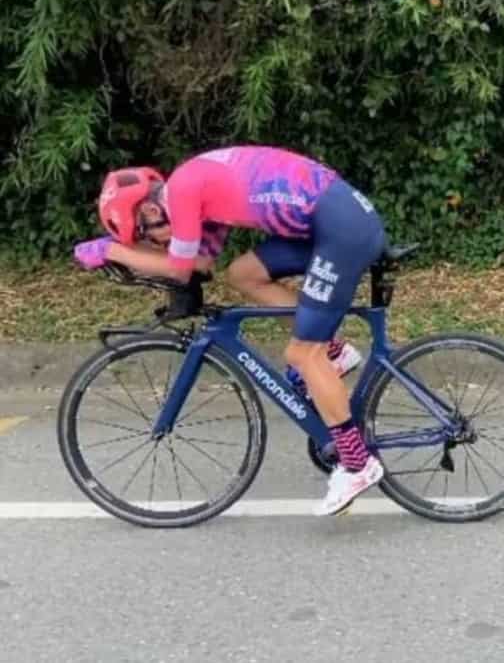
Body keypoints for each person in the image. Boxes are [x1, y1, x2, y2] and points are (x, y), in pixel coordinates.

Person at [74, 146, 387, 515]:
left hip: (341, 228)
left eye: (146, 237)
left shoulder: (184, 190)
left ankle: (357, 463)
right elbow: (201, 263)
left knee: (303, 354)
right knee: (243, 274)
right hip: (329, 220)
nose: (155, 244)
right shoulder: (192, 189)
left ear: (151, 211)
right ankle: (333, 352)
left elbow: (178, 267)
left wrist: (114, 252)